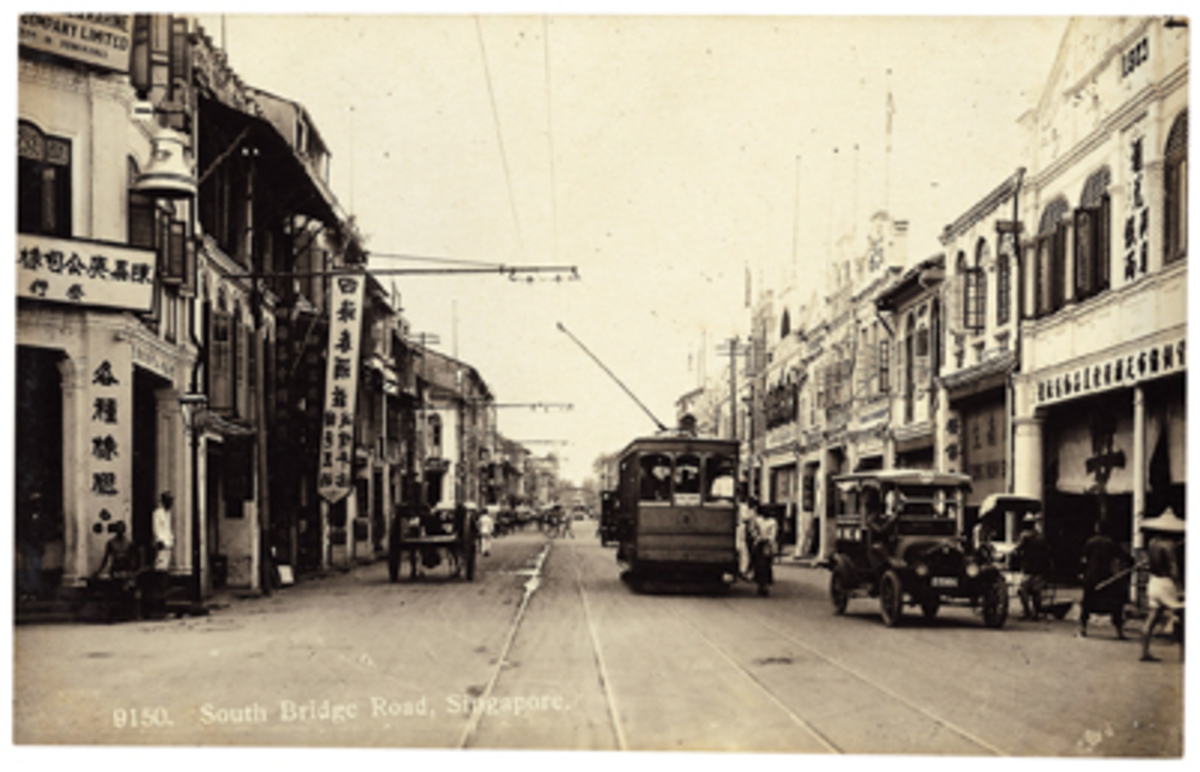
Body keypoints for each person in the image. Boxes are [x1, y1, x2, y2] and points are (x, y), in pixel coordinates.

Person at [1140, 509, 1186, 663]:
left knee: (1151, 618)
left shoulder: (1152, 542)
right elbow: (1173, 567)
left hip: (1153, 582)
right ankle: (1184, 655)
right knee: (1182, 614)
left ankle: (1144, 652)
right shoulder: (1169, 545)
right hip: (1166, 582)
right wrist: (1179, 586)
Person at [1079, 520, 1132, 639]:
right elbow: (1125, 557)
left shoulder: (1090, 542)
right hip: (1107, 575)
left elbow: (1083, 559)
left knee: (1087, 602)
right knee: (1115, 604)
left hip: (1091, 576)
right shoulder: (1111, 543)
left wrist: (1082, 572)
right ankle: (1119, 631)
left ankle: (1083, 628)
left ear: (1097, 529)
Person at [1013, 513, 1051, 620]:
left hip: (1028, 567)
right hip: (1039, 567)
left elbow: (1017, 549)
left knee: (1022, 590)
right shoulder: (1040, 536)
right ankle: (1036, 613)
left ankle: (1027, 611)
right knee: (1036, 592)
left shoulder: (1024, 535)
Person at [749, 508, 778, 597]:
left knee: (765, 564)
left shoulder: (772, 522)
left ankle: (764, 584)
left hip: (767, 545)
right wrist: (757, 537)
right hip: (759, 543)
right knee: (759, 564)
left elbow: (773, 534)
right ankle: (761, 584)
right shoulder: (758, 521)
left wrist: (766, 539)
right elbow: (752, 530)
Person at [152, 492, 175, 571]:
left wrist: (171, 538)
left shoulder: (168, 513)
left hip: (168, 543)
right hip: (162, 543)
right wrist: (159, 540)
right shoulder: (158, 513)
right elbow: (156, 528)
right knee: (160, 566)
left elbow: (168, 528)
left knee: (166, 566)